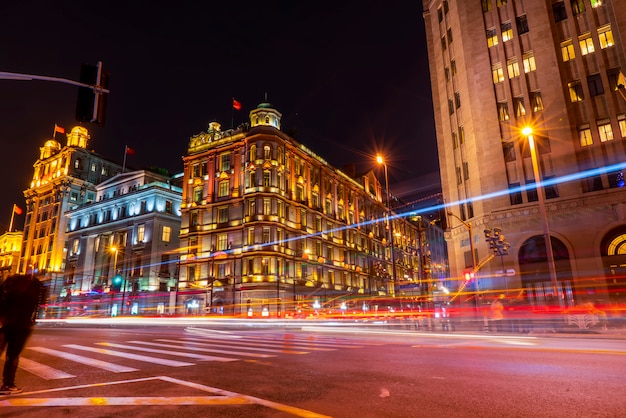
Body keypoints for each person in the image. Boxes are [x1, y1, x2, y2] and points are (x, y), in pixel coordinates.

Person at [0, 274, 43, 395]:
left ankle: (8, 384)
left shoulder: (7, 287)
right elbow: (35, 307)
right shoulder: (33, 287)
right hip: (21, 326)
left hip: (5, 324)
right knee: (12, 356)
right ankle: (8, 384)